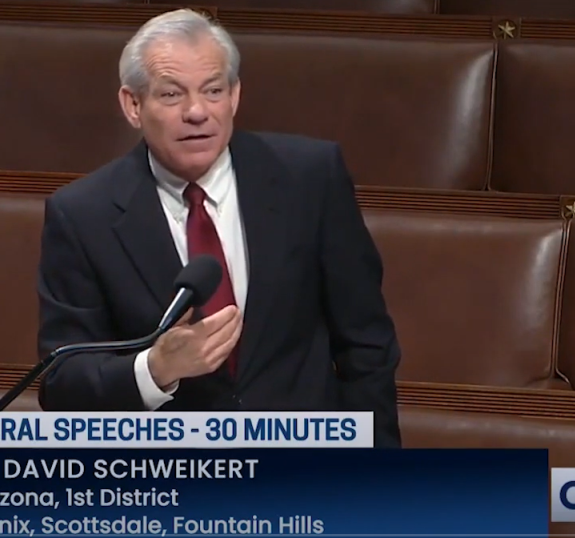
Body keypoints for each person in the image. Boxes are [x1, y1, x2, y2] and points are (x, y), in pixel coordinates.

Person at [36, 8, 402, 448]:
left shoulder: (310, 178)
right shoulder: (83, 215)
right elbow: (62, 383)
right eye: (172, 94)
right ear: (133, 105)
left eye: (213, 91)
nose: (197, 112)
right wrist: (155, 369)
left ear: (234, 95)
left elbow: (366, 343)